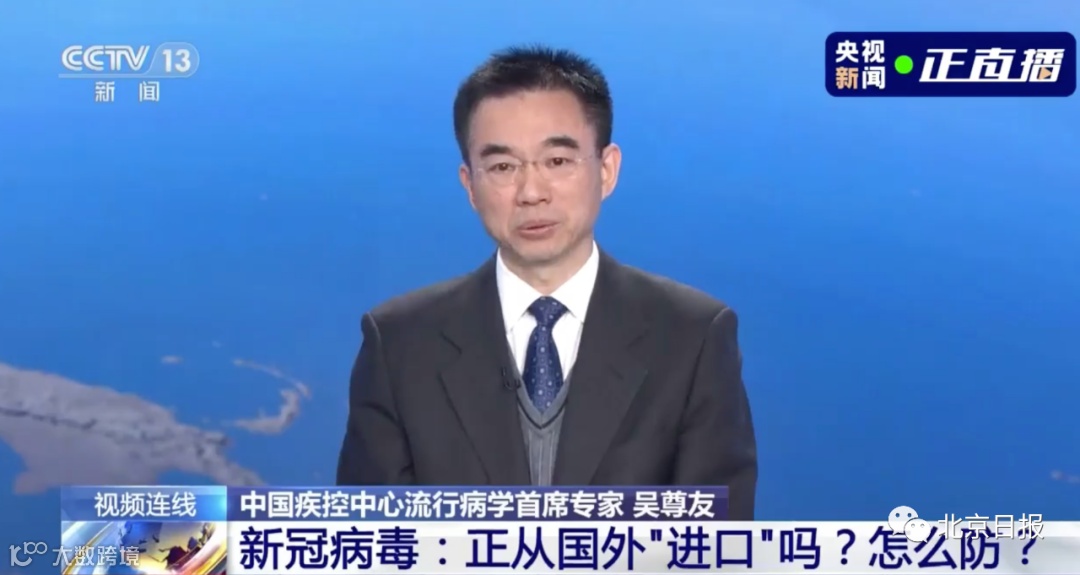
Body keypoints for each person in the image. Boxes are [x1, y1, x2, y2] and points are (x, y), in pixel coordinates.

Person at [336, 45, 757, 519]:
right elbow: (370, 540)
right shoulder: (399, 344)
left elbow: (717, 542)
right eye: (503, 167)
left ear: (607, 170)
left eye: (557, 161)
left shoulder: (692, 337)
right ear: (469, 185)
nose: (532, 192)